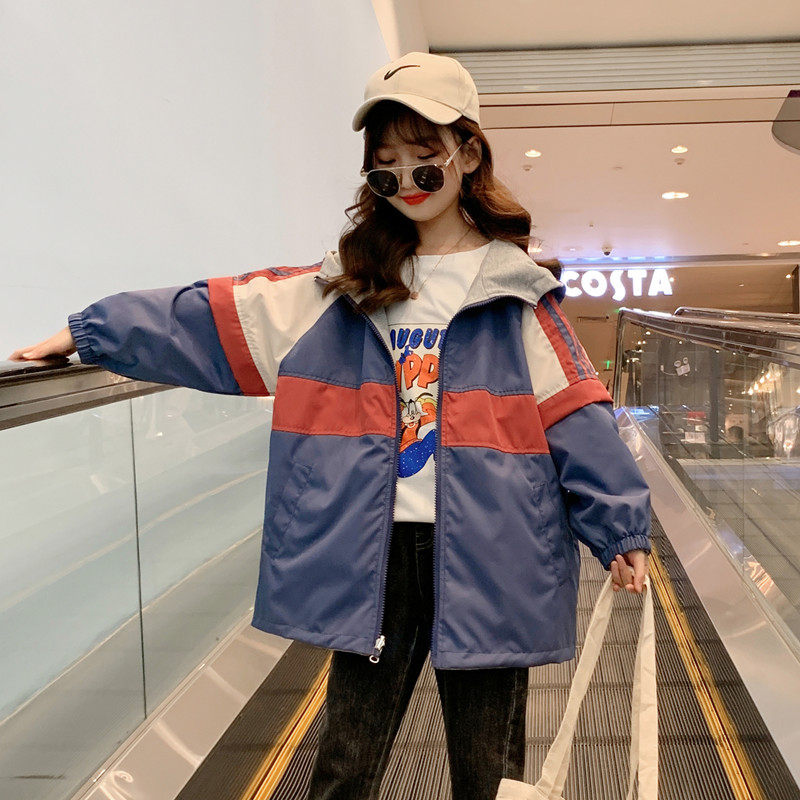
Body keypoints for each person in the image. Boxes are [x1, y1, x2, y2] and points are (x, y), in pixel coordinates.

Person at [8, 51, 651, 800]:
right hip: (376, 550)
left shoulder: (517, 297)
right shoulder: (341, 290)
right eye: (386, 167)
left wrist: (619, 526)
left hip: (493, 550)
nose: (406, 181)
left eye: (424, 159)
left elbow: (576, 413)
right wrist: (90, 332)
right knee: (346, 764)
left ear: (470, 154)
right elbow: (213, 318)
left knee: (488, 772)